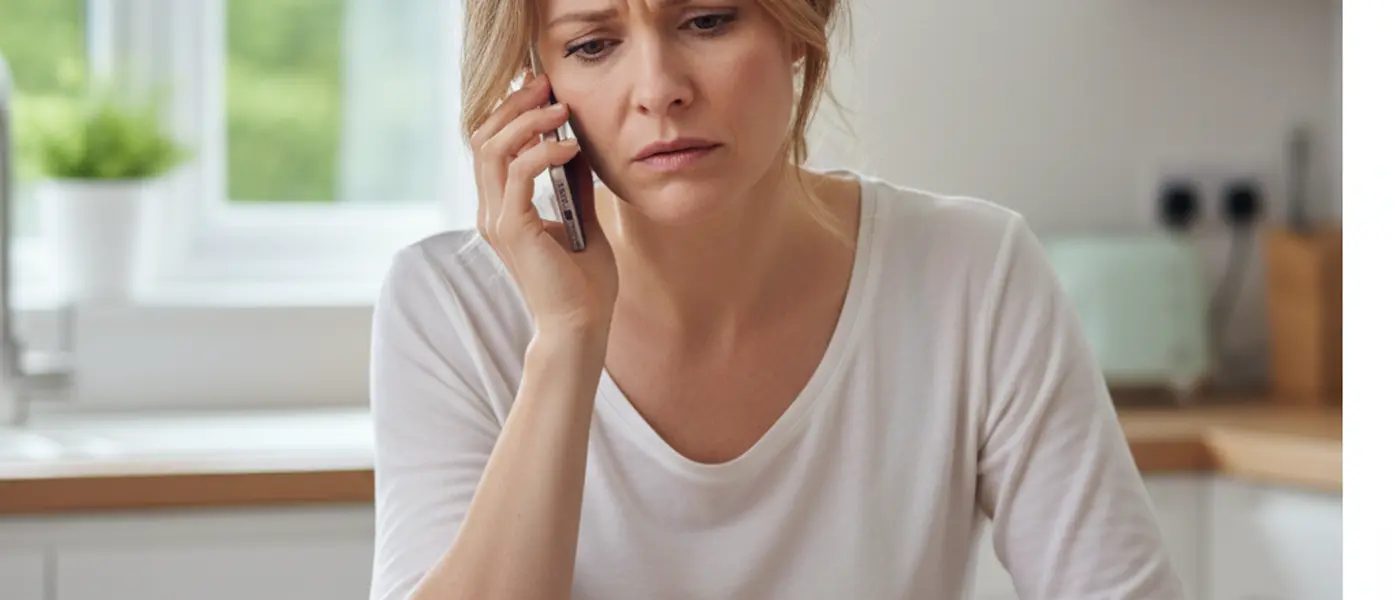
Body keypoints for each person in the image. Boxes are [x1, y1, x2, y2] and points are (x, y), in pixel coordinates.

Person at [367, 0, 1185, 598]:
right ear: (536, 82)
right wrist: (567, 336)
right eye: (593, 43)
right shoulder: (447, 308)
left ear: (802, 22)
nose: (659, 89)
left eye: (709, 20)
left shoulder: (973, 273)